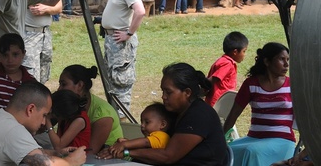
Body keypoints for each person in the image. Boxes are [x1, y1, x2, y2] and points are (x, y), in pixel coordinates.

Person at [97, 62, 227, 165]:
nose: (163, 97)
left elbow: (168, 156)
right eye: (162, 91)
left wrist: (127, 151)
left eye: (168, 92)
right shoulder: (177, 112)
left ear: (187, 92)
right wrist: (124, 147)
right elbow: (158, 145)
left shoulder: (198, 115)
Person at [0, 81, 86, 166]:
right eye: (44, 115)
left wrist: (57, 153)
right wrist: (71, 162)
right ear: (31, 109)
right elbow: (45, 164)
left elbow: (26, 153)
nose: (44, 122)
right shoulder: (12, 130)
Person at [224, 42, 295, 166]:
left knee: (252, 151)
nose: (286, 64)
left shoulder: (292, 85)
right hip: (254, 138)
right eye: (281, 59)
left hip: (283, 140)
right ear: (267, 62)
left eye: (288, 60)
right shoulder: (251, 84)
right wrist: (218, 139)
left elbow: (307, 117)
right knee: (225, 151)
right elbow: (232, 116)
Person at [94, 0, 145, 114]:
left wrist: (128, 33)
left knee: (120, 83)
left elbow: (140, 11)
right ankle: (116, 119)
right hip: (112, 40)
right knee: (112, 82)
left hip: (121, 42)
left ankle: (123, 123)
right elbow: (115, 0)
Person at [58, 65, 123, 154]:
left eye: (63, 84)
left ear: (80, 85)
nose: (59, 89)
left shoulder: (102, 114)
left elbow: (90, 152)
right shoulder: (69, 107)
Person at [0, 33, 36, 113]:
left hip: (19, 124)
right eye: (5, 55)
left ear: (23, 54)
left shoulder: (30, 82)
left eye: (15, 54)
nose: (10, 60)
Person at [106, 102, 174, 159]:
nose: (142, 125)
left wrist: (124, 144)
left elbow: (145, 142)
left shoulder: (162, 136)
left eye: (147, 122)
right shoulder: (153, 138)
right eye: (142, 122)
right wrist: (129, 142)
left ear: (162, 124)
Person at [205, 31, 249, 106]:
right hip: (219, 104)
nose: (244, 54)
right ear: (235, 52)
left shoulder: (223, 60)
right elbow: (214, 79)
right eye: (244, 51)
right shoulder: (227, 64)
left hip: (219, 103)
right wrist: (201, 89)